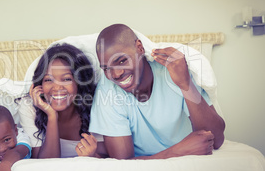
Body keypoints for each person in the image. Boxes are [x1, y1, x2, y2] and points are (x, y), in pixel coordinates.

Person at [89, 24, 226, 159]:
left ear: (139, 47)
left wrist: (185, 84)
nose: (116, 74)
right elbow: (124, 163)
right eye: (106, 68)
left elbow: (216, 139)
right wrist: (177, 151)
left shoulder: (173, 72)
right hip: (169, 159)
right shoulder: (107, 90)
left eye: (122, 61)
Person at [19, 43, 107, 158]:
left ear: (80, 82)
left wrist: (93, 156)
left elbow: (113, 159)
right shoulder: (29, 107)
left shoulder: (98, 106)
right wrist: (51, 115)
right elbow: (42, 164)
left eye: (66, 79)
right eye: (48, 80)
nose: (57, 88)